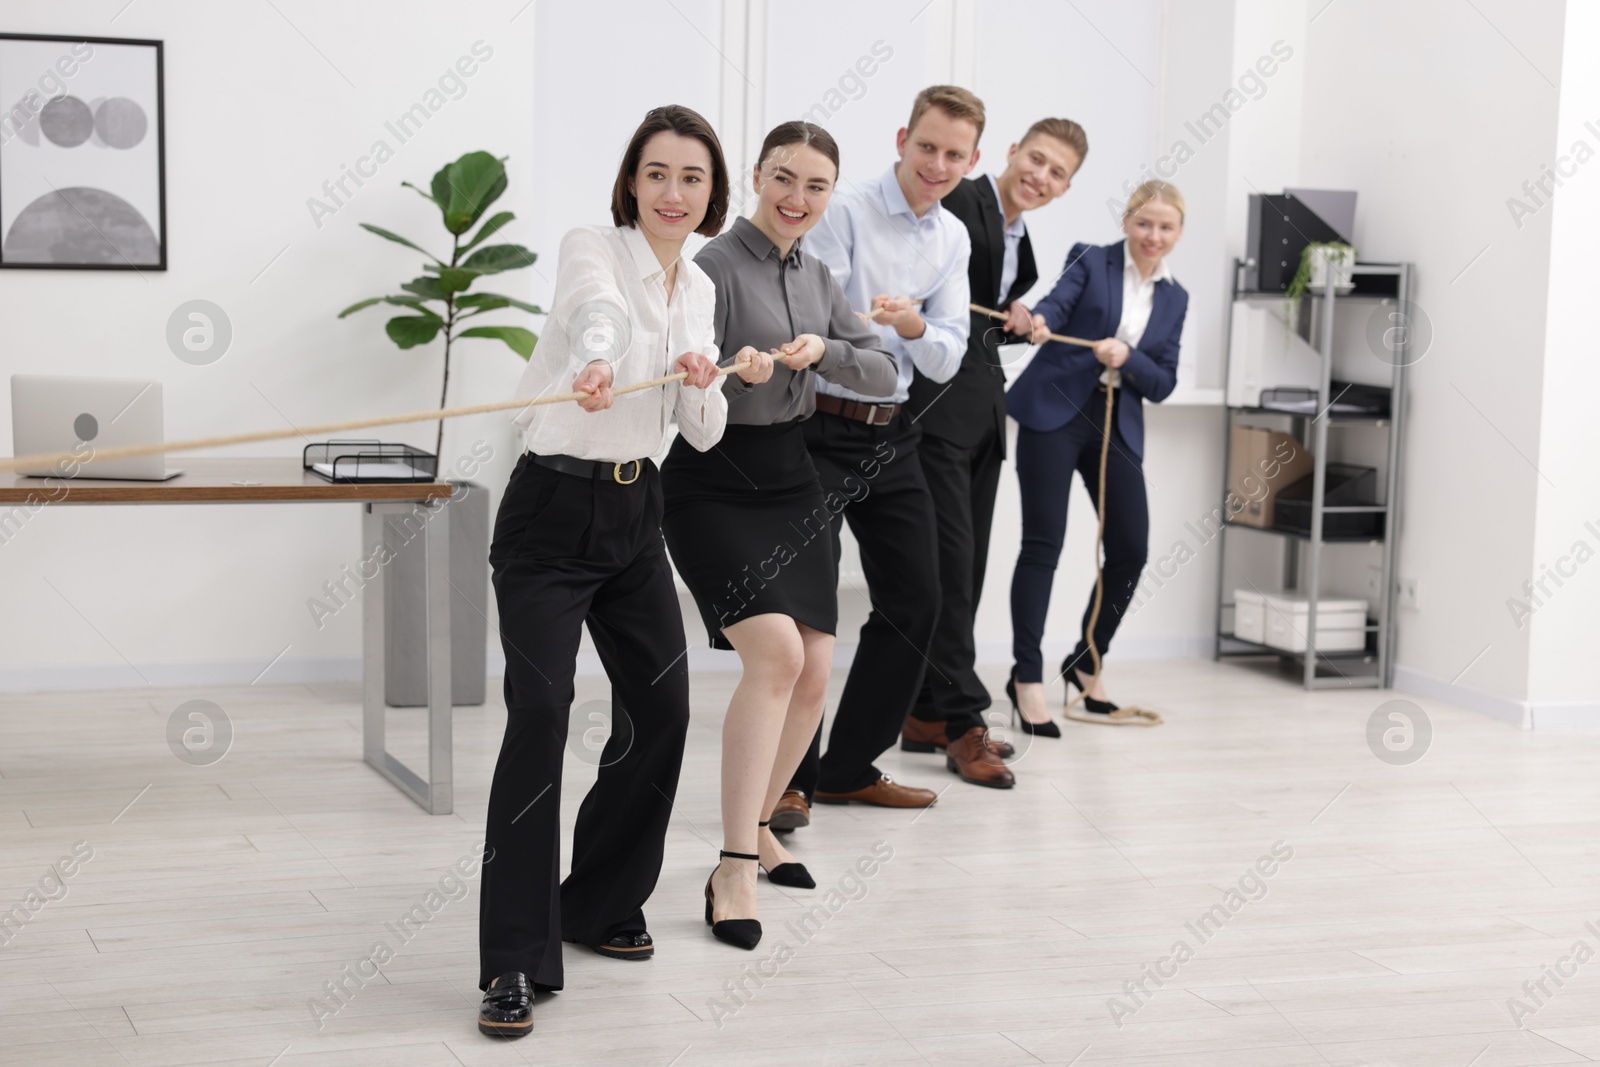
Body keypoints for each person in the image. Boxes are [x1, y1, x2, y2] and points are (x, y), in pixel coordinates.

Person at [476, 104, 753, 1039]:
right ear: (632, 181)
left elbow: (702, 432)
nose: (674, 194)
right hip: (550, 516)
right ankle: (514, 957)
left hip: (637, 513)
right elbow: (592, 311)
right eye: (658, 174)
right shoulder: (590, 245)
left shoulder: (703, 287)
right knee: (541, 716)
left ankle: (596, 900)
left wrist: (701, 378)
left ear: (713, 195)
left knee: (664, 710)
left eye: (693, 179)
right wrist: (602, 358)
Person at [661, 121, 898, 950]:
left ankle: (760, 821)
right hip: (712, 478)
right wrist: (738, 368)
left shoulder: (822, 273)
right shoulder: (711, 266)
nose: (798, 199)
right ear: (757, 175)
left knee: (817, 668)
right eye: (784, 179)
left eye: (817, 186)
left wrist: (825, 348)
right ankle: (732, 864)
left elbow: (887, 374)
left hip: (792, 478)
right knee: (778, 656)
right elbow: (680, 377)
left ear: (831, 193)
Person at [773, 84, 980, 825]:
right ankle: (789, 779)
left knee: (918, 599)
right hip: (819, 427)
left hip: (895, 433)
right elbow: (821, 319)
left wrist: (916, 329)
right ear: (902, 138)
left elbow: (947, 358)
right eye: (927, 146)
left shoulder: (953, 238)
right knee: (808, 613)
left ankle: (850, 766)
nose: (937, 163)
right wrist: (890, 329)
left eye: (955, 153)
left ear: (972, 159)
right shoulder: (848, 208)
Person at [902, 117, 1089, 775]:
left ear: (1065, 188)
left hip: (983, 422)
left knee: (969, 568)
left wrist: (1018, 325)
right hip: (933, 416)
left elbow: (975, 328)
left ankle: (925, 708)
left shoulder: (1025, 247)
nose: (1041, 176)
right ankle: (962, 720)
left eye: (1057, 172)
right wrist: (996, 308)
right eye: (1036, 159)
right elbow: (932, 302)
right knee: (951, 569)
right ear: (1010, 153)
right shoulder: (958, 202)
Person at [1004, 180, 1188, 727]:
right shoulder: (1091, 260)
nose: (1153, 235)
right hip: (1055, 413)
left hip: (1117, 422)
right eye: (1144, 223)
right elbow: (1057, 305)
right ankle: (1026, 676)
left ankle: (1085, 663)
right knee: (1044, 545)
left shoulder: (1175, 298)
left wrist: (1128, 357)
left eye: (1166, 226)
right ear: (1128, 222)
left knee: (1130, 550)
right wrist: (1040, 322)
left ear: (1178, 233)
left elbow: (1163, 382)